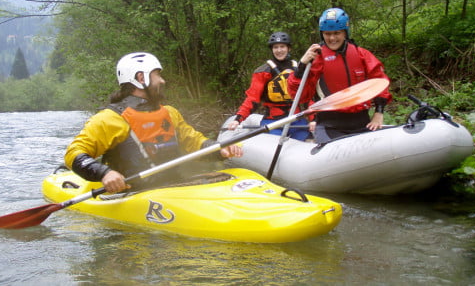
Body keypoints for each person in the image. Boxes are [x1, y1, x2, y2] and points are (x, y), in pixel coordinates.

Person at [64, 52, 242, 193]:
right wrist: (105, 173)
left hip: (174, 186)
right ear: (141, 78)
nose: (162, 81)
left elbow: (193, 142)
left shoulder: (170, 113)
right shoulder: (110, 119)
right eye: (157, 75)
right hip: (132, 192)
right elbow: (74, 153)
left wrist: (219, 149)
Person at [288, 8, 392, 144]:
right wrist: (301, 66)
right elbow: (299, 96)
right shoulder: (316, 59)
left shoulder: (361, 54)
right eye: (327, 34)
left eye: (337, 33)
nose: (332, 38)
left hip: (361, 122)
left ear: (345, 33)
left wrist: (379, 112)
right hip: (330, 124)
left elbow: (379, 82)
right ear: (322, 34)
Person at [227, 32, 309, 141]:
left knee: (306, 140)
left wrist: (313, 119)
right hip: (273, 121)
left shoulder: (299, 69)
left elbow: (308, 97)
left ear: (289, 48)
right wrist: (238, 119)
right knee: (273, 142)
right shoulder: (262, 72)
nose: (279, 50)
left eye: (282, 46)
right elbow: (252, 99)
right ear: (272, 49)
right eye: (276, 47)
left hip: (297, 120)